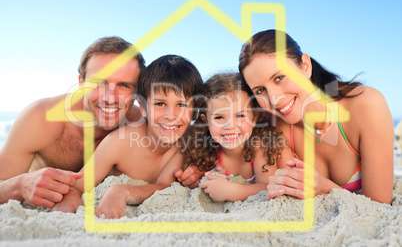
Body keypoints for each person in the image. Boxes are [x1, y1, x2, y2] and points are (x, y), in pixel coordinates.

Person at [238, 29, 394, 204]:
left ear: (305, 65)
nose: (274, 98)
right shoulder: (277, 130)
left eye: (279, 77)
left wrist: (326, 188)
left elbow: (380, 203)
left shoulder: (366, 105)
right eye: (260, 90)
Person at [0, 36, 145, 208]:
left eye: (124, 85)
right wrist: (20, 185)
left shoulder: (143, 125)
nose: (110, 98)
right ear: (81, 83)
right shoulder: (41, 118)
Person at [53, 55, 203, 219]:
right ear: (143, 107)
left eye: (182, 105)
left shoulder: (187, 144)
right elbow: (78, 186)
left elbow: (163, 186)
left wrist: (123, 190)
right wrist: (72, 197)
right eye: (160, 104)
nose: (171, 115)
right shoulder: (119, 142)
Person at [180, 73, 293, 202]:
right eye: (219, 117)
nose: (230, 126)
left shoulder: (260, 147)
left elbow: (266, 186)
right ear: (206, 120)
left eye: (239, 116)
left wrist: (230, 190)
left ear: (254, 118)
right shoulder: (208, 151)